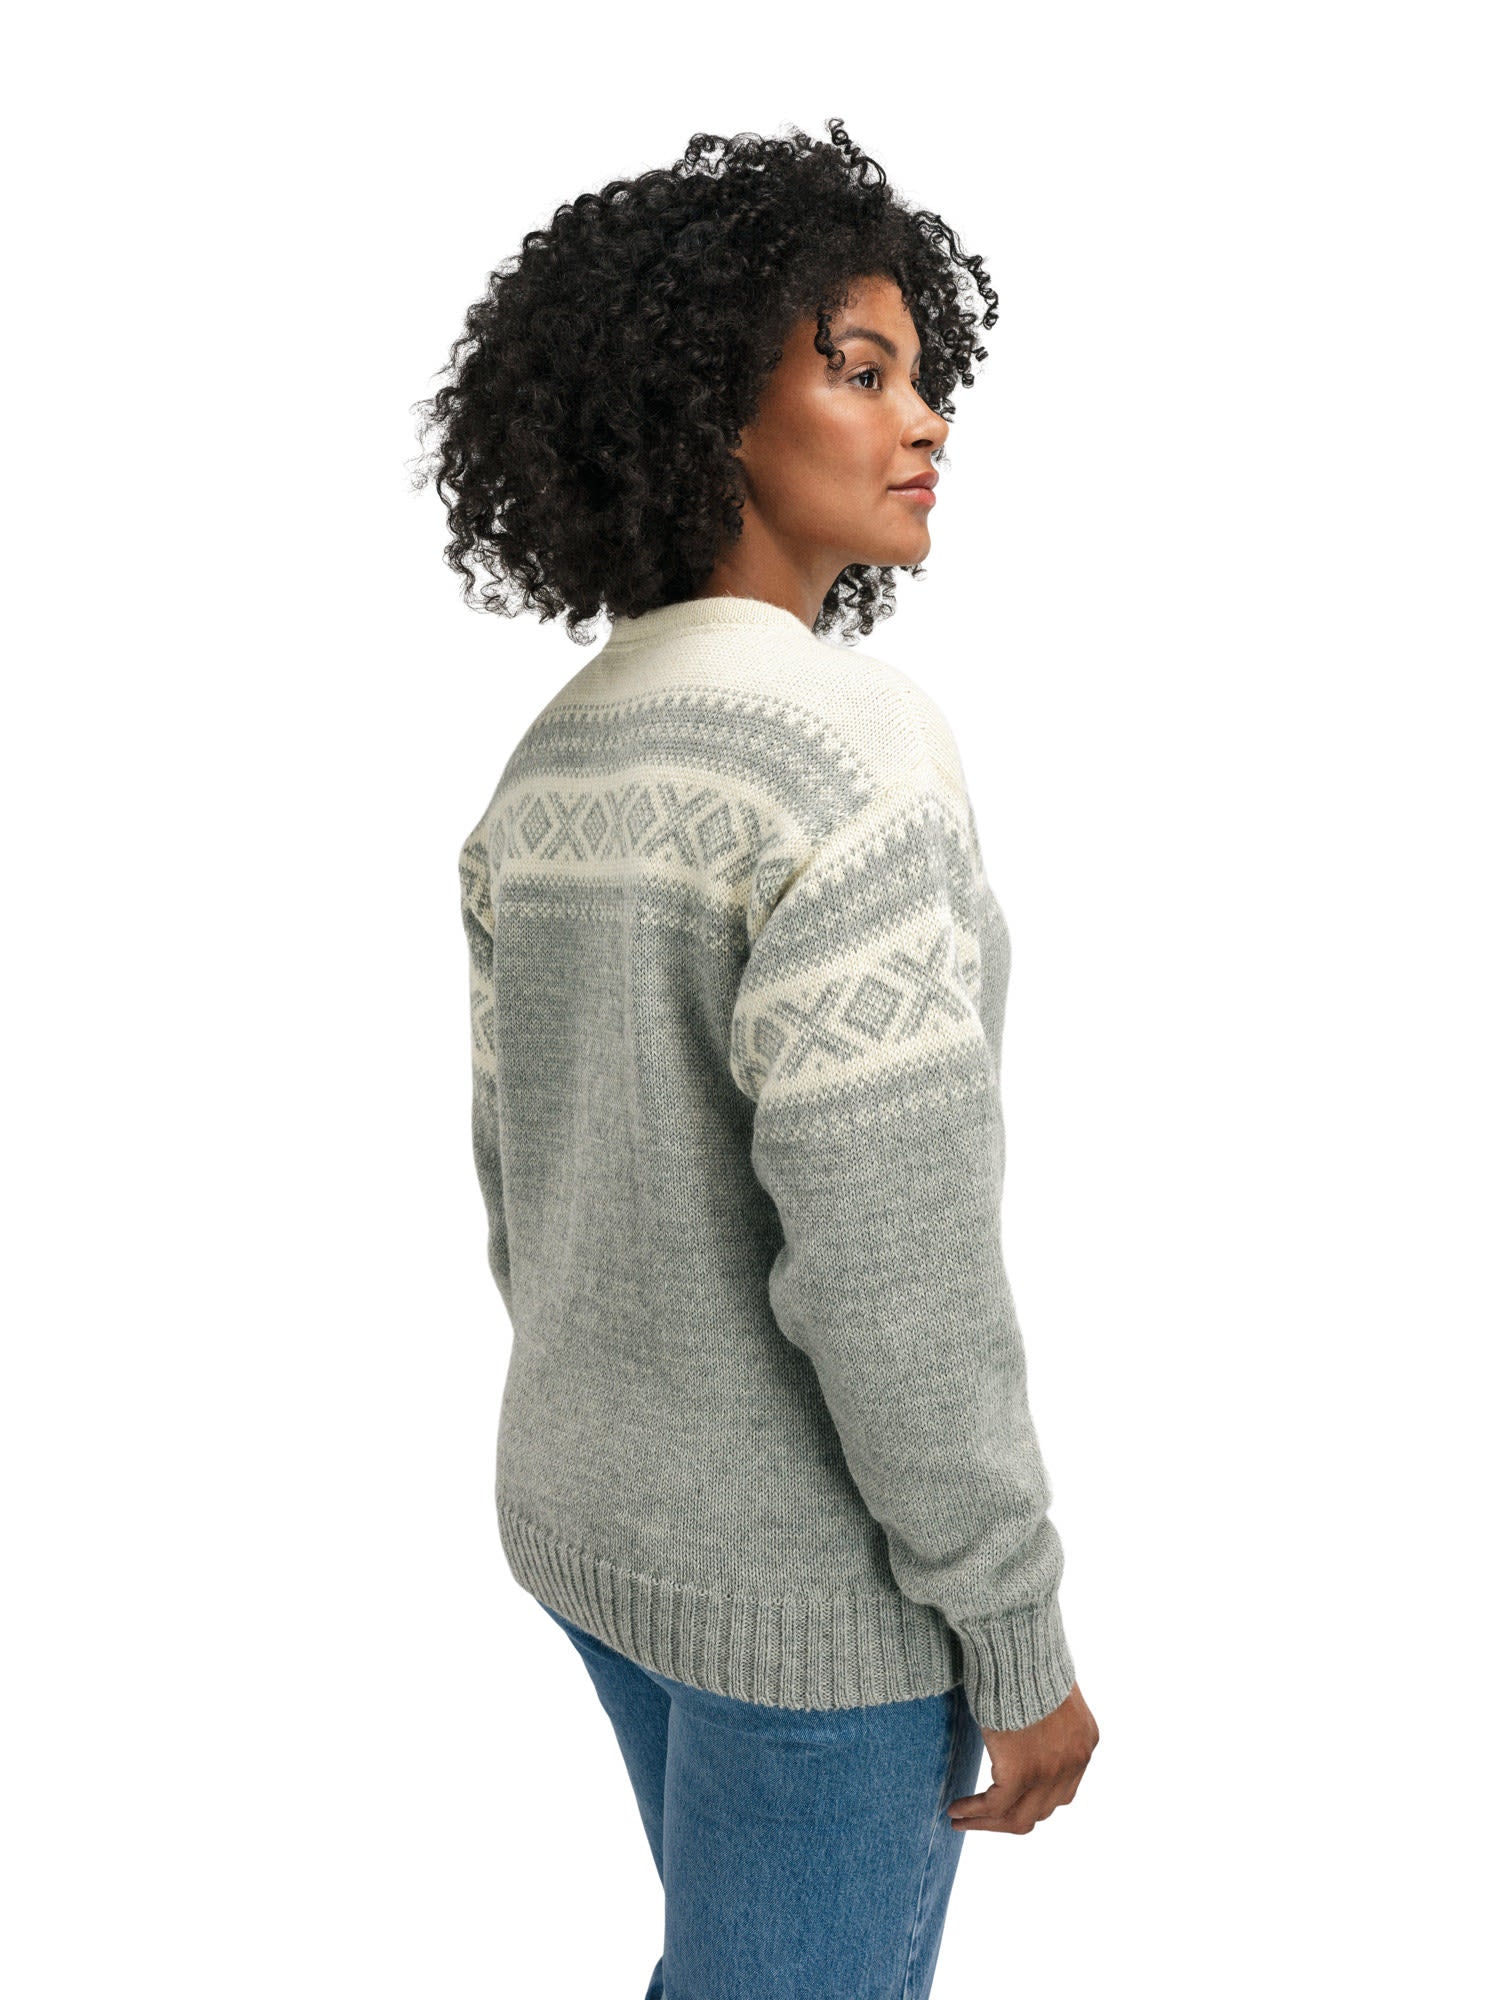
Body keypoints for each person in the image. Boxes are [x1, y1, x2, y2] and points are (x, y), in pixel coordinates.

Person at [415, 116, 1099, 2000]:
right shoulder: (845, 756)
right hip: (805, 1610)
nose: (925, 417)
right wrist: (1017, 1635)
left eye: (924, 375)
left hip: (588, 1529)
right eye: (860, 371)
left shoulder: (558, 755)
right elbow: (895, 1272)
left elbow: (521, 1192)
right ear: (711, 411)